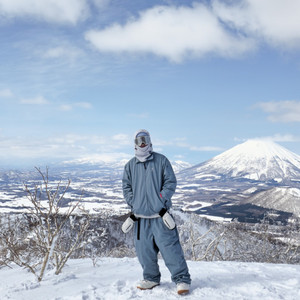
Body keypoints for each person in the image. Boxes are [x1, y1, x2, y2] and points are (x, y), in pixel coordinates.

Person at [122, 129, 191, 295]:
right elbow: (126, 187)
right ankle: (151, 278)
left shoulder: (161, 161)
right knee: (144, 251)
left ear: (150, 141)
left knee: (170, 249)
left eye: (145, 139)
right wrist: (133, 202)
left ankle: (181, 280)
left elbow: (170, 182)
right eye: (139, 141)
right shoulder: (130, 165)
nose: (142, 143)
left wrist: (161, 198)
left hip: (160, 215)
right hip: (140, 219)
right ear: (135, 143)